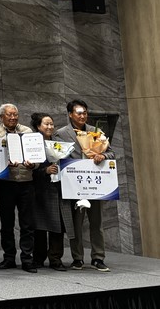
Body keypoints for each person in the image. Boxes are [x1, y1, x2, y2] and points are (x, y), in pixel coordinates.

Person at [55, 99, 114, 272]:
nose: (82, 116)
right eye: (79, 113)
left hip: (95, 185)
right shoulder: (61, 133)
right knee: (76, 224)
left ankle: (98, 257)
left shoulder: (96, 132)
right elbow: (57, 156)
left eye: (85, 113)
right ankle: (77, 258)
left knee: (97, 223)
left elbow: (111, 153)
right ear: (70, 114)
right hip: (74, 185)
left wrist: (103, 156)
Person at [0, 104, 37, 273]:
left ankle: (27, 259)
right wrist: (3, 163)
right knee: (6, 223)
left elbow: (36, 155)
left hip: (26, 182)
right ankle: (9, 257)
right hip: (6, 183)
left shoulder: (27, 132)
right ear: (1, 117)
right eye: (9, 115)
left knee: (27, 224)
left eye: (15, 114)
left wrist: (33, 164)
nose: (13, 117)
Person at [31, 113, 74, 271]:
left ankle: (55, 259)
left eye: (51, 124)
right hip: (40, 190)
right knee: (40, 227)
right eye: (46, 124)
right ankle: (38, 258)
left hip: (59, 189)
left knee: (59, 226)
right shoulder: (32, 143)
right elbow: (28, 169)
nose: (50, 127)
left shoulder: (59, 142)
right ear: (38, 126)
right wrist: (45, 171)